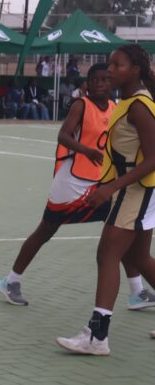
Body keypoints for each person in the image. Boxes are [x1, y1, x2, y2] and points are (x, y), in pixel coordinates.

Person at [0, 64, 155, 308]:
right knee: (46, 230)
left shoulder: (116, 107)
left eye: (104, 79)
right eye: (95, 80)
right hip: (71, 182)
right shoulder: (81, 105)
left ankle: (137, 291)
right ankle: (11, 280)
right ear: (87, 84)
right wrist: (86, 150)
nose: (100, 83)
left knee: (120, 233)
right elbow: (63, 135)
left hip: (99, 183)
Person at [57, 45, 155, 355]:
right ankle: (97, 335)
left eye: (118, 64)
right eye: (110, 64)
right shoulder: (127, 102)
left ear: (135, 70)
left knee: (107, 254)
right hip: (133, 188)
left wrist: (111, 187)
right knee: (139, 257)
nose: (110, 69)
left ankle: (97, 337)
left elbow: (153, 159)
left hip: (136, 190)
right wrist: (105, 186)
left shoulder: (139, 106)